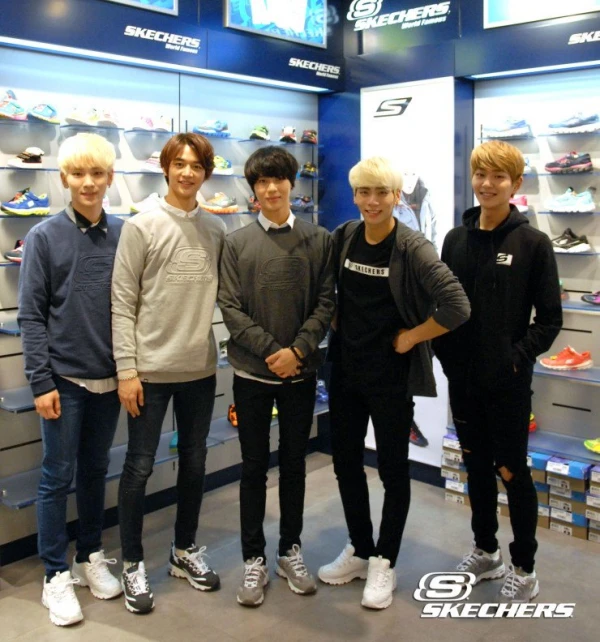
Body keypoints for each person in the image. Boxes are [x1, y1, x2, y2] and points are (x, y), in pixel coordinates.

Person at [318, 157, 470, 610]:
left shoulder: (412, 246)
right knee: (346, 464)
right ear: (354, 195)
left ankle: (385, 560)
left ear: (396, 196)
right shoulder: (344, 236)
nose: (372, 201)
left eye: (381, 192)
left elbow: (457, 305)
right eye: (364, 192)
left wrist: (412, 336)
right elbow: (328, 290)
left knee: (391, 470)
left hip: (391, 377)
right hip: (346, 371)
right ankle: (361, 549)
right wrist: (336, 320)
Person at [433, 140, 562, 603]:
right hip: (463, 379)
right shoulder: (455, 239)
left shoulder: (533, 243)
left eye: (498, 177)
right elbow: (444, 305)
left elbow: (550, 320)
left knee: (511, 471)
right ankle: (486, 550)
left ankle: (524, 566)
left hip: (507, 384)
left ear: (516, 183)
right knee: (475, 466)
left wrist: (515, 358)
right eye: (480, 175)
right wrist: (445, 353)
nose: (487, 184)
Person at [112, 133, 226, 614]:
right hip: (150, 373)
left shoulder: (216, 229)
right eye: (179, 163)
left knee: (195, 463)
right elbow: (122, 302)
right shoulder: (141, 226)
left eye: (196, 165)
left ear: (206, 173)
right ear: (165, 168)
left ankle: (183, 550)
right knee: (138, 467)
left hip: (199, 369)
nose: (187, 172)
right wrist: (126, 369)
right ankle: (132, 562)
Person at [218, 146, 335, 607]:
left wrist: (299, 350)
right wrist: (272, 352)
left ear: (291, 184)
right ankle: (253, 558)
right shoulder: (235, 243)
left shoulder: (318, 239)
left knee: (293, 465)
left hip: (300, 375)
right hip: (252, 374)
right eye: (261, 182)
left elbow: (326, 301)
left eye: (278, 180)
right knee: (252, 468)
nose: (271, 189)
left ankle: (290, 550)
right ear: (253, 190)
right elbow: (230, 308)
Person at [18, 133, 123, 626]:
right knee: (56, 478)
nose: (88, 183)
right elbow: (31, 316)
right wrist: (41, 383)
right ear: (64, 179)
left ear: (110, 178)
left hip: (110, 379)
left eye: (97, 173)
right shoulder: (43, 237)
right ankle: (55, 574)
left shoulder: (124, 233)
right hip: (63, 380)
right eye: (78, 174)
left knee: (95, 470)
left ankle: (89, 555)